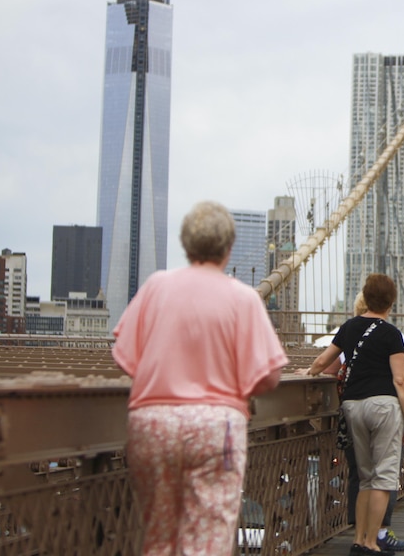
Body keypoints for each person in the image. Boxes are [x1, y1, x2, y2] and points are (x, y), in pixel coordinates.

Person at [112, 201, 289, 555]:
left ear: (185, 243)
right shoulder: (242, 298)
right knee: (207, 536)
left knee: (159, 535)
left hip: (152, 420)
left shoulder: (155, 286)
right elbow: (269, 374)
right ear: (228, 247)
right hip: (213, 424)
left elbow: (124, 356)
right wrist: (238, 389)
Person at [303, 274, 404, 555]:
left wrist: (307, 374)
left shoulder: (349, 327)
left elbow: (322, 361)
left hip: (352, 406)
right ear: (391, 302)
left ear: (365, 297)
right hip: (383, 406)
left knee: (364, 477)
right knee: (384, 477)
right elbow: (401, 380)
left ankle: (359, 540)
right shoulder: (391, 334)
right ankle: (370, 541)